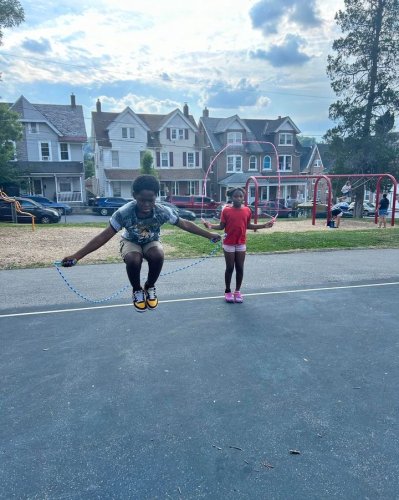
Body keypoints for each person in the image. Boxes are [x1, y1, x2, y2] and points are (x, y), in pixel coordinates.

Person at [61, 175, 221, 312]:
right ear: (134, 196)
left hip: (151, 241)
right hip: (131, 241)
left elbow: (185, 224)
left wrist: (209, 235)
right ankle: (137, 290)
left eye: (150, 200)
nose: (146, 205)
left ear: (156, 197)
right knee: (133, 259)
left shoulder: (162, 211)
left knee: (158, 255)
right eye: (141, 200)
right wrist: (77, 256)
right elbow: (104, 236)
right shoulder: (123, 213)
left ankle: (149, 286)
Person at [203, 187, 274, 303]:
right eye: (236, 196)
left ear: (243, 198)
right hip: (229, 243)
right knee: (230, 268)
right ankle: (227, 291)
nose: (238, 198)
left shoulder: (247, 210)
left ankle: (237, 291)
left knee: (240, 268)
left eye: (241, 196)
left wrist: (264, 225)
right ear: (231, 197)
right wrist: (210, 226)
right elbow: (221, 226)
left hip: (241, 243)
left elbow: (249, 226)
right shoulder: (226, 210)